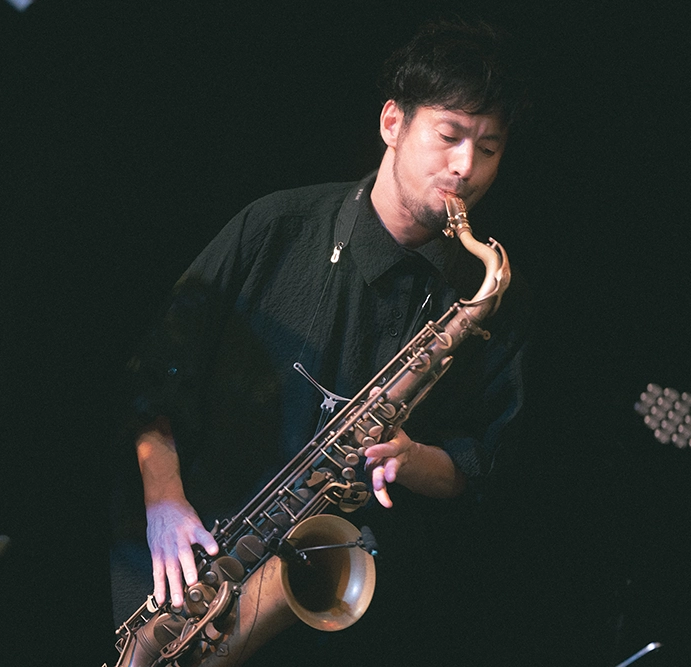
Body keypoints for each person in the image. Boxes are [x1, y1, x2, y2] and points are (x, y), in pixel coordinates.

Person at [110, 16, 533, 666]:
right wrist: (163, 500)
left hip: (336, 619)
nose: (465, 167)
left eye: (489, 148)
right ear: (392, 122)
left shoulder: (489, 298)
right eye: (449, 136)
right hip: (180, 576)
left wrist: (414, 458)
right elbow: (153, 379)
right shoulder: (274, 228)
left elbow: (484, 466)